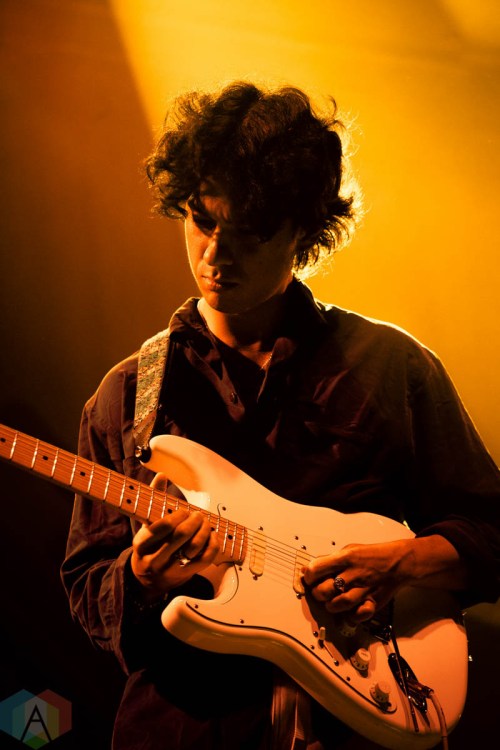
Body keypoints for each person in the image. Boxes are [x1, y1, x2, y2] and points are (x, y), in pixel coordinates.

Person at [61, 81, 500, 750]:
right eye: (202, 220)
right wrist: (143, 576)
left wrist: (405, 565)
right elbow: (87, 589)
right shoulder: (126, 395)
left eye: (249, 232)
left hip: (362, 724)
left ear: (304, 230)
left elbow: (492, 529)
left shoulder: (391, 365)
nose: (215, 254)